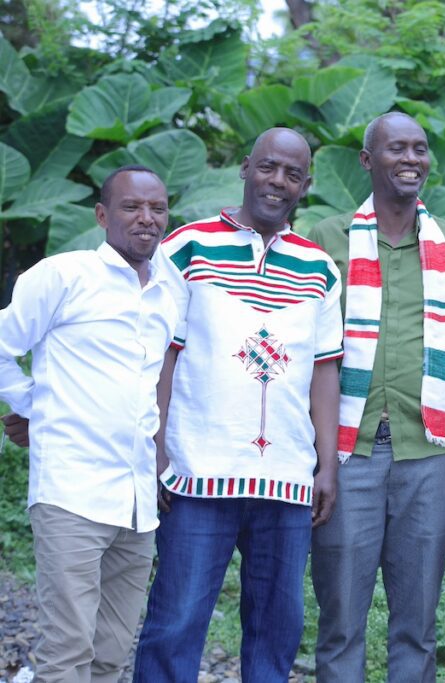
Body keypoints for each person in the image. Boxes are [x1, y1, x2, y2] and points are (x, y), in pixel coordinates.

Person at [132, 128, 342, 682]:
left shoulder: (320, 267)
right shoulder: (186, 247)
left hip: (287, 478)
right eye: (269, 167)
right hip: (197, 471)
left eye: (293, 174)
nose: (279, 182)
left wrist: (327, 465)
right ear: (246, 167)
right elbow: (163, 357)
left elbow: (324, 371)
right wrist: (157, 451)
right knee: (176, 619)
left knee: (278, 627)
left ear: (306, 184)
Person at [307, 111, 445, 682]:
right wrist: (319, 451)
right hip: (345, 454)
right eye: (396, 149)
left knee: (417, 624)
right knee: (340, 621)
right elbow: (304, 348)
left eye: (420, 149)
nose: (411, 159)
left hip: (429, 455)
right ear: (366, 161)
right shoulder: (323, 240)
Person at [0, 166, 177, 682]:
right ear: (102, 215)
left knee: (112, 652)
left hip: (137, 501)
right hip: (72, 493)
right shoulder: (62, 276)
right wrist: (35, 406)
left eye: (157, 209)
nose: (146, 218)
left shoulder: (169, 290)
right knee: (67, 649)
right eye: (131, 207)